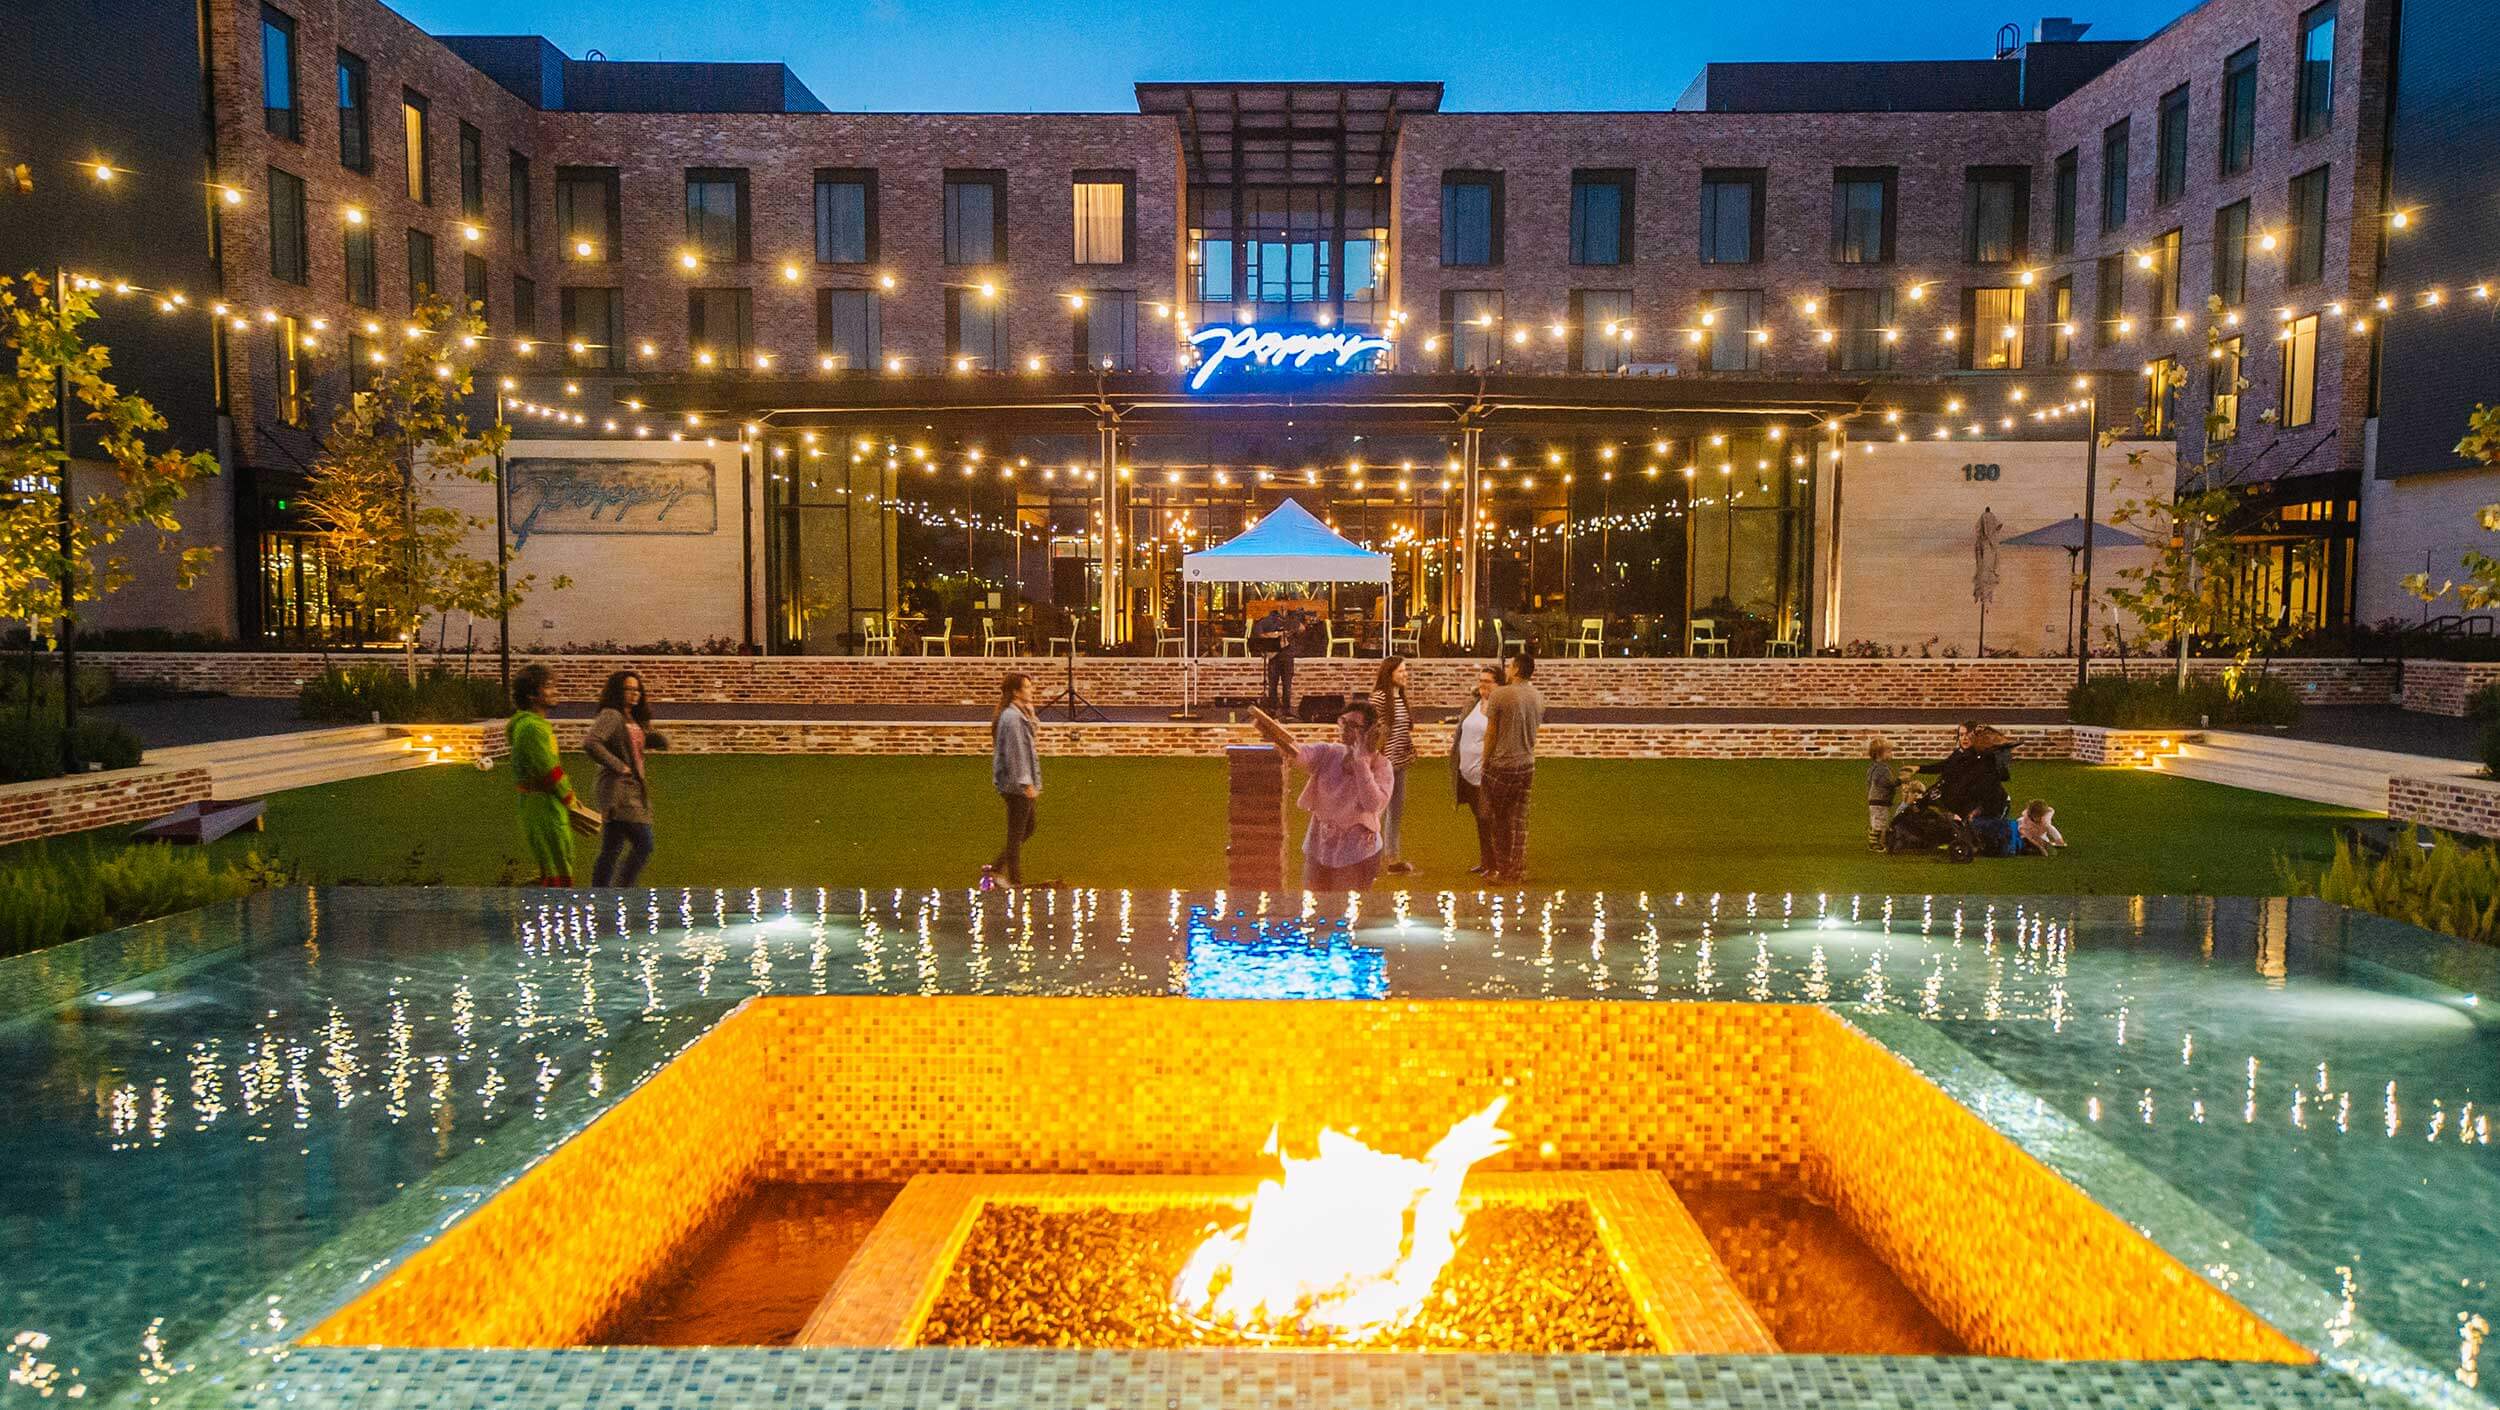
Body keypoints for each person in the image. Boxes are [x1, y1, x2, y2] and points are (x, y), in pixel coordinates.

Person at [1249, 701, 1393, 890]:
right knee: (1314, 905)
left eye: (1353, 725)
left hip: (1356, 852)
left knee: (1344, 910)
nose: (1345, 728)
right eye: (1343, 722)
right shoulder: (1330, 753)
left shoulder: (1382, 766)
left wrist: (1361, 764)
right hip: (1319, 846)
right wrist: (1275, 735)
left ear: (1369, 731)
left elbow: (1373, 804)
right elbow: (1299, 753)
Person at [583, 670, 666, 886]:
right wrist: (618, 765)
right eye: (628, 689)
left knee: (611, 847)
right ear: (617, 691)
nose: (634, 694)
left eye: (637, 689)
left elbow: (629, 744)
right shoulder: (611, 715)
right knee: (644, 842)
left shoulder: (632, 718)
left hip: (632, 786)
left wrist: (653, 740)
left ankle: (601, 893)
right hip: (618, 790)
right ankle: (623, 889)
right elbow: (592, 743)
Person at [505, 664, 577, 887]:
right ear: (531, 695)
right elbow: (548, 770)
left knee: (558, 862)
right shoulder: (531, 729)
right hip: (542, 806)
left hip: (544, 804)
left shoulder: (535, 725)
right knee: (556, 864)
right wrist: (570, 799)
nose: (555, 691)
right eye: (548, 687)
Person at [1481, 652, 1545, 884]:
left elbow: (1491, 733)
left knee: (1498, 820)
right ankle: (1518, 870)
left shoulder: (1500, 695)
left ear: (1517, 670)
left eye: (1509, 666)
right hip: (1527, 763)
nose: (1507, 670)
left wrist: (1484, 762)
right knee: (1519, 821)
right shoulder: (1538, 696)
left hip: (1503, 764)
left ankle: (1502, 870)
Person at [982, 672, 1042, 889]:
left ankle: (996, 868)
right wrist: (1026, 784)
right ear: (1016, 692)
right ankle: (1015, 880)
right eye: (1027, 687)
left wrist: (1032, 713)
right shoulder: (1012, 718)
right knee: (1017, 832)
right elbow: (1015, 753)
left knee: (1027, 828)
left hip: (1015, 782)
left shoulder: (1018, 713)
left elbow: (1032, 735)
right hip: (1015, 784)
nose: (1031, 690)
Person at [1449, 665, 1501, 875]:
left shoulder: (1499, 708)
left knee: (1488, 818)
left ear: (1498, 685)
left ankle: (1496, 863)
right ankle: (1486, 861)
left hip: (1485, 774)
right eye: (1481, 680)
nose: (1483, 685)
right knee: (1480, 820)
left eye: (1487, 681)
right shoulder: (1473, 703)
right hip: (1466, 773)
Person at [1370, 656, 1416, 875]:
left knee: (1396, 810)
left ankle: (1392, 857)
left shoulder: (1400, 697)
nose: (1404, 675)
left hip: (1400, 761)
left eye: (1405, 671)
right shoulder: (1379, 698)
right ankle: (1368, 856)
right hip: (1384, 763)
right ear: (1389, 674)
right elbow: (1372, 730)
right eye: (1400, 671)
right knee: (1377, 811)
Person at [1919, 721, 2014, 820]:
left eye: (1968, 735)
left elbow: (2003, 775)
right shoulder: (1960, 754)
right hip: (1969, 804)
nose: (1964, 738)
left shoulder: (1986, 759)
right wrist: (1919, 768)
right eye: (1961, 735)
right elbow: (1946, 766)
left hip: (1993, 806)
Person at [1865, 736, 1901, 851]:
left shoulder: (1873, 768)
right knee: (1880, 823)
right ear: (1880, 754)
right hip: (1880, 800)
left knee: (1879, 820)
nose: (1891, 753)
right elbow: (1887, 783)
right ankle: (1874, 843)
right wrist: (1900, 781)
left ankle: (1877, 839)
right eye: (1889, 751)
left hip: (1875, 799)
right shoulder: (1882, 769)